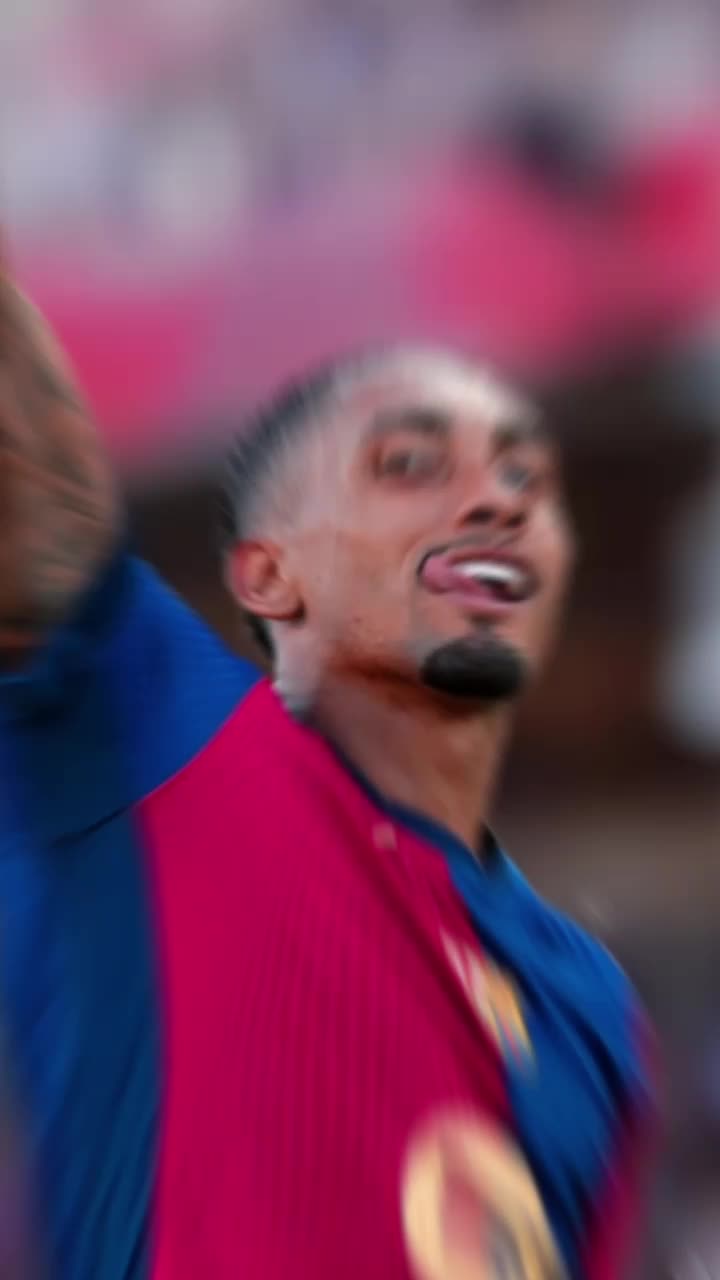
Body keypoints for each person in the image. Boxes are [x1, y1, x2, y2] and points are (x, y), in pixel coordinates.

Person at [0, 271, 655, 1280]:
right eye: (410, 464)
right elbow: (39, 496)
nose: (498, 499)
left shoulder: (592, 1005)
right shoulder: (170, 752)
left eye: (526, 477)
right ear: (270, 575)